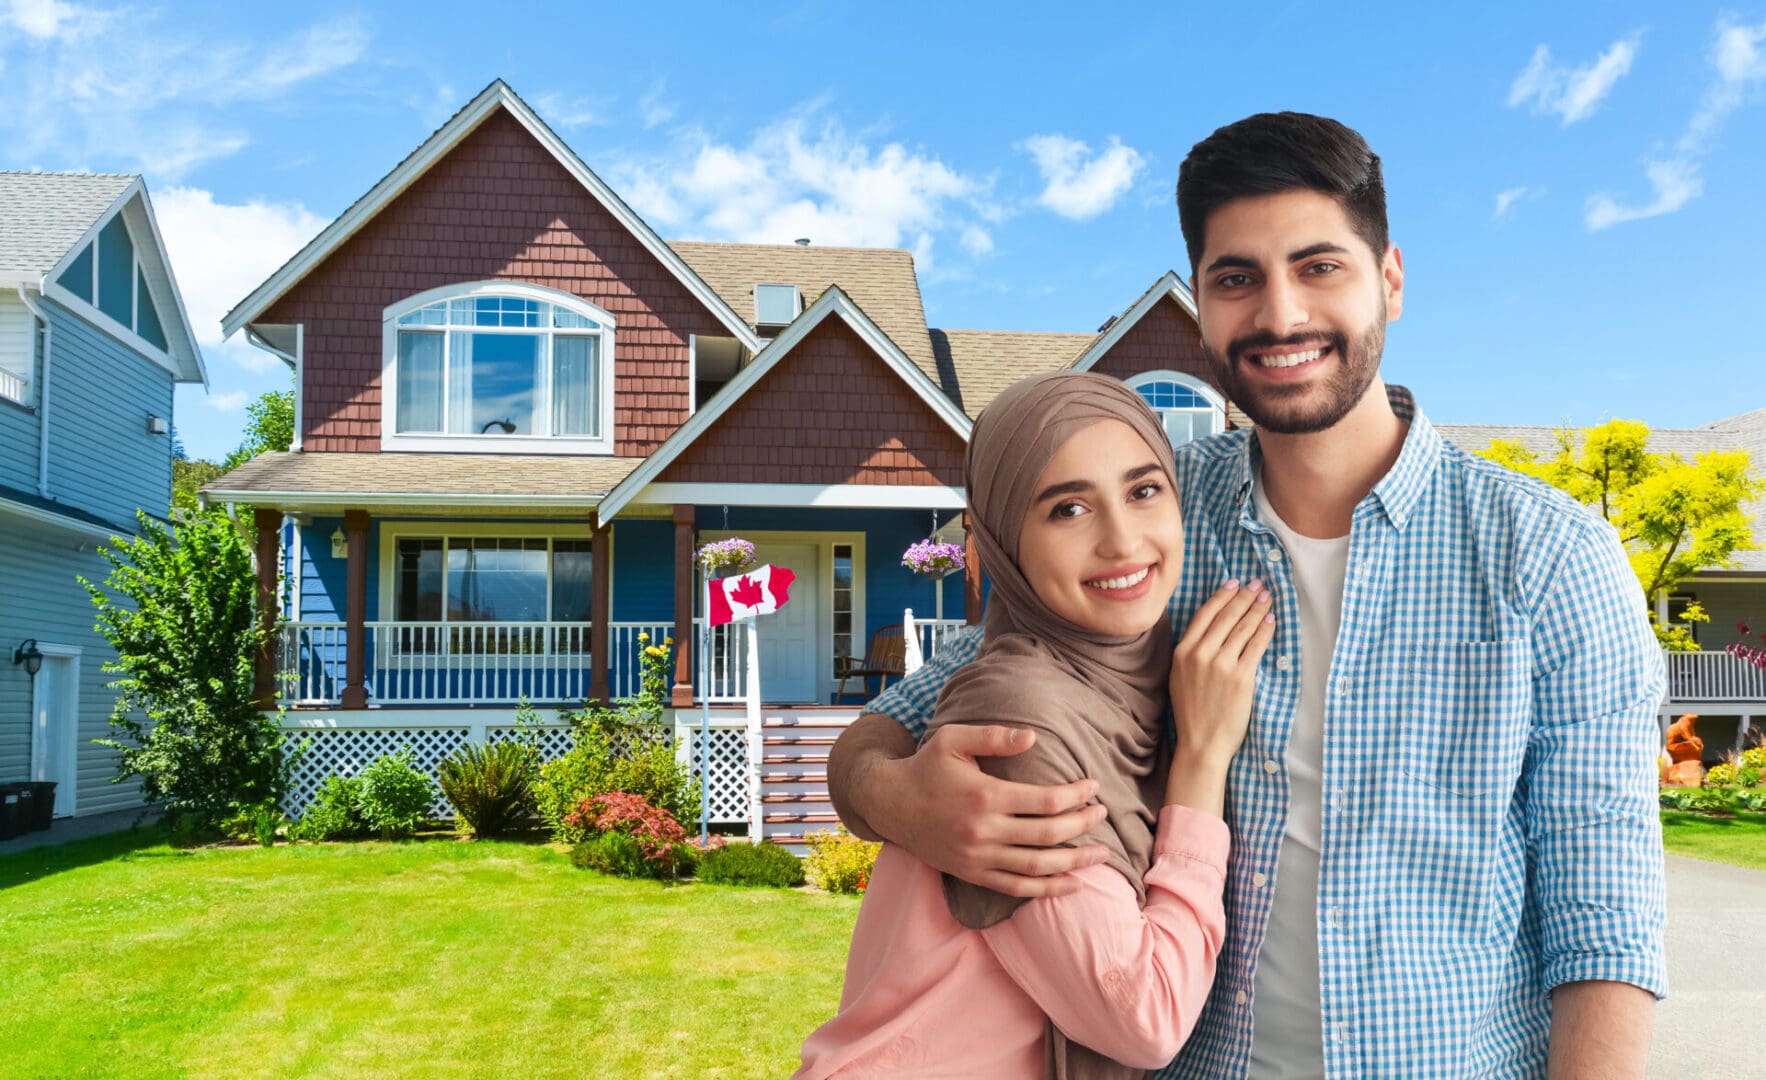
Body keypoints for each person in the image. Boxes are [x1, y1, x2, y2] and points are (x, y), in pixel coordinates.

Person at [828, 112, 1667, 1079]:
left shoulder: (1552, 556)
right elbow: (899, 721)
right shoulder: (1155, 526)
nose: (1279, 315)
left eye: (1320, 267)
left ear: (1389, 278)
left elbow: (1602, 918)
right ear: (1201, 306)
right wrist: (900, 799)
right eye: (1237, 278)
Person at [797, 372, 1275, 1078]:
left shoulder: (1103, 661)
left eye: (1144, 491)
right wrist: (1201, 760)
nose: (1121, 541)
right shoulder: (1018, 726)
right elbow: (1146, 1016)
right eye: (1067, 509)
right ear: (1000, 543)